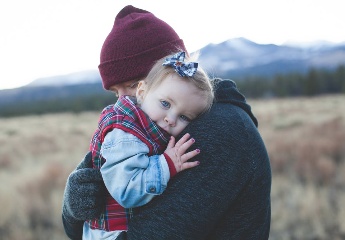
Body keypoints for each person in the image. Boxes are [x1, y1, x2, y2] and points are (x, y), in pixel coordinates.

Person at [62, 5, 272, 240]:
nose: (123, 102)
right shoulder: (146, 126)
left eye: (132, 85)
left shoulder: (218, 131)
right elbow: (76, 229)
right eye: (115, 92)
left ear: (169, 71)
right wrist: (73, 207)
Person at [83, 51, 214, 239]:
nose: (171, 119)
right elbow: (126, 191)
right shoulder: (125, 134)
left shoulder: (149, 126)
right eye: (165, 104)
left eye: (184, 117)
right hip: (111, 234)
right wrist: (167, 164)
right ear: (142, 92)